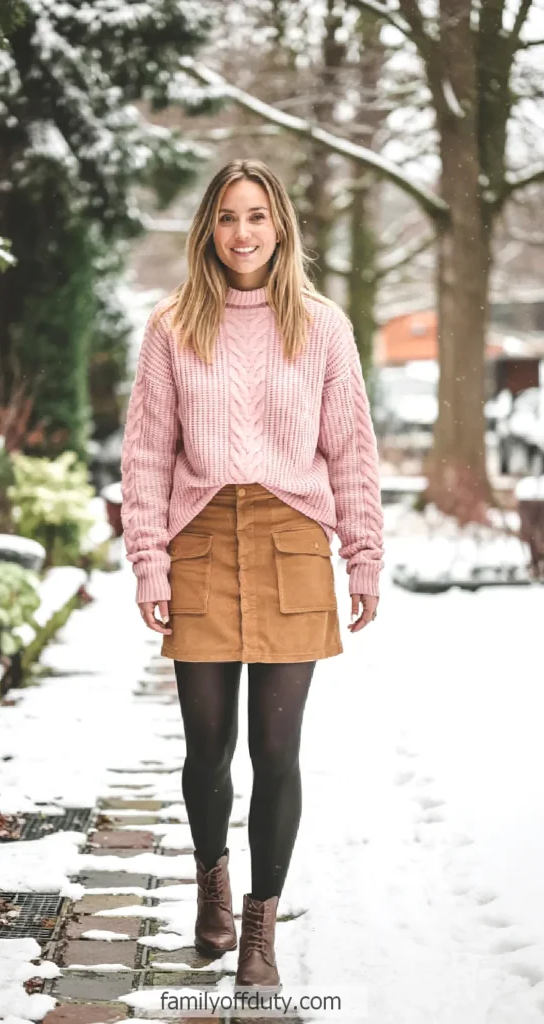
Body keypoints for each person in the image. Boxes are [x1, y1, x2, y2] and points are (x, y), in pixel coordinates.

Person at [120, 159, 384, 989]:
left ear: (280, 228)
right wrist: (148, 561)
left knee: (277, 750)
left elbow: (350, 449)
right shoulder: (171, 326)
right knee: (208, 750)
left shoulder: (321, 325)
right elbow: (146, 454)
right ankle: (211, 885)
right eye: (228, 217)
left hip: (291, 541)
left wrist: (363, 553)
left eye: (257, 217)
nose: (242, 233)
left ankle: (260, 932)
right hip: (198, 540)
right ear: (209, 229)